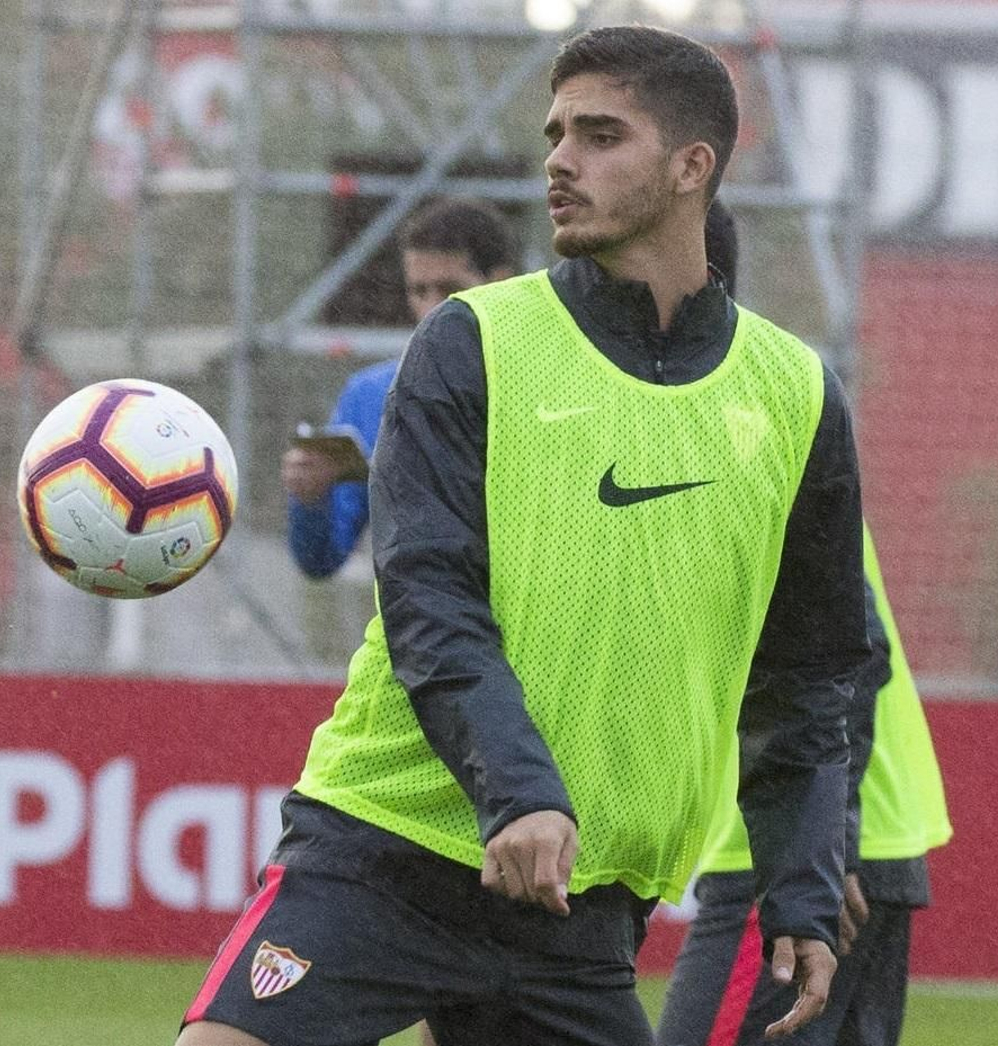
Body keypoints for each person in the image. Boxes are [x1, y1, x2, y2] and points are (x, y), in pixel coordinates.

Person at [179, 25, 869, 1046]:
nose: (558, 158)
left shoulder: (796, 393)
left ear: (693, 167)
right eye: (554, 132)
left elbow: (808, 675)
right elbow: (427, 596)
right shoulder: (469, 344)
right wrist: (520, 794)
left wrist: (801, 887)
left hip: (578, 899)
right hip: (390, 845)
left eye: (599, 135)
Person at [656, 525, 952, 1046]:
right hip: (847, 835)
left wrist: (824, 844)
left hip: (793, 839)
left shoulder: (742, 451)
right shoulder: (794, 451)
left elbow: (849, 649)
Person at [282, 196, 520, 579]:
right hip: (416, 633)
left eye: (449, 290)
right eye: (418, 290)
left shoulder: (551, 385)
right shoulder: (371, 394)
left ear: (500, 282)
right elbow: (321, 560)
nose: (431, 308)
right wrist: (311, 499)